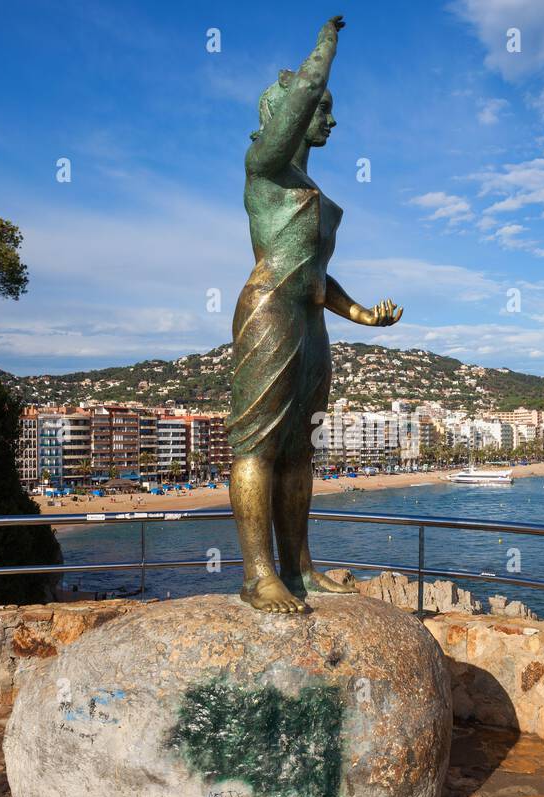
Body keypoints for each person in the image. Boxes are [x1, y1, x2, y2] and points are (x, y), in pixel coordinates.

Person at [227, 15, 403, 613]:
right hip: (270, 310)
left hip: (310, 318)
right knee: (258, 445)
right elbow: (303, 91)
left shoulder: (305, 183)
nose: (330, 118)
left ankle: (298, 567)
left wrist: (360, 313)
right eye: (322, 107)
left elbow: (316, 274)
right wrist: (325, 48)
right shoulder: (265, 167)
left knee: (300, 448)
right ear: (291, 113)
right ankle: (258, 575)